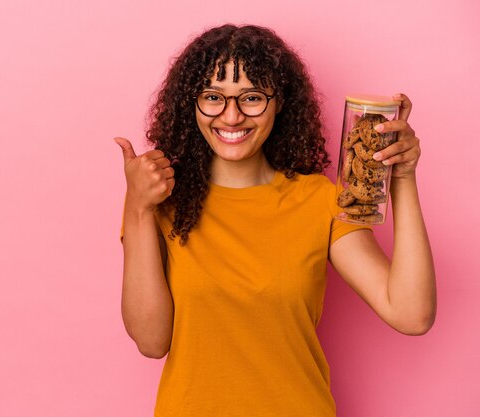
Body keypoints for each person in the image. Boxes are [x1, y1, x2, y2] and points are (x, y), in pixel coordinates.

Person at [114, 24, 436, 417]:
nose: (231, 117)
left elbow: (411, 313)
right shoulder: (162, 203)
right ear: (192, 103)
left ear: (279, 101)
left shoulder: (319, 201)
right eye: (213, 97)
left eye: (251, 97)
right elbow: (151, 341)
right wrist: (138, 207)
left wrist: (402, 179)